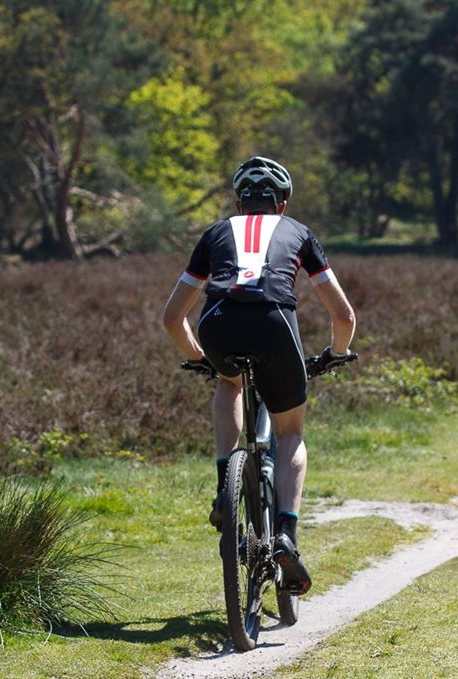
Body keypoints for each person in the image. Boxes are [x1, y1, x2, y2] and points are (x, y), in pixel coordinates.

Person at [161, 156, 356, 595]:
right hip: (273, 324)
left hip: (217, 322)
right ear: (282, 204)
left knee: (227, 382)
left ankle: (223, 485)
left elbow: (173, 318)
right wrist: (336, 354)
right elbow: (343, 314)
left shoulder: (214, 233)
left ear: (238, 202)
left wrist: (200, 357)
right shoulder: (299, 233)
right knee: (290, 432)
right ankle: (286, 532)